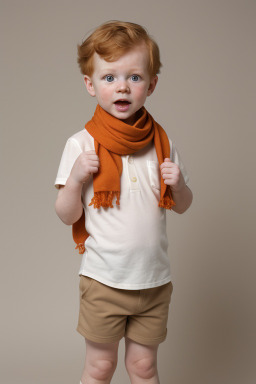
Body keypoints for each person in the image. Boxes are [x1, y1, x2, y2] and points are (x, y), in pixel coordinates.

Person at [55, 20, 192, 384]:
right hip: (105, 281)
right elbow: (67, 214)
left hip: (153, 281)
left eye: (134, 77)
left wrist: (178, 186)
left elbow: (181, 205)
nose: (122, 87)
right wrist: (75, 181)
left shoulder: (161, 144)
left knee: (144, 368)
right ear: (90, 84)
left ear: (151, 85)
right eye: (110, 77)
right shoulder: (80, 144)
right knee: (100, 368)